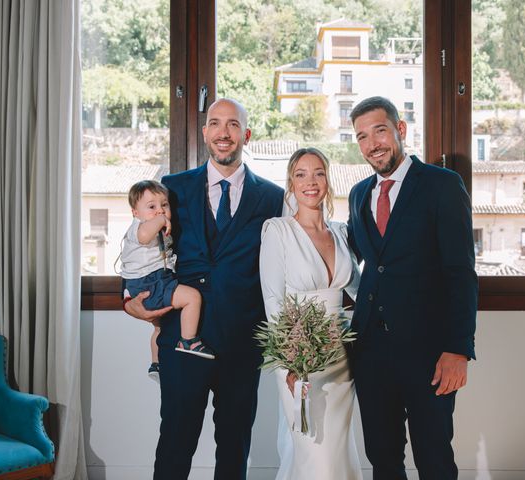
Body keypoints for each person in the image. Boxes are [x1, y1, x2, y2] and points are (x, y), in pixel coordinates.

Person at [123, 98, 284, 480]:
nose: (223, 132)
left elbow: (286, 263)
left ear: (246, 134)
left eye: (232, 124)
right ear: (205, 132)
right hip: (182, 340)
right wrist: (129, 301)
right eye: (215, 123)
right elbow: (136, 247)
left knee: (234, 448)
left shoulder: (274, 198)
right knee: (175, 443)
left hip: (242, 344)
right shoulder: (172, 189)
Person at [346, 96, 478, 480]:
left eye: (380, 131)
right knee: (383, 459)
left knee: (433, 457)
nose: (373, 144)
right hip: (370, 352)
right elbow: (360, 262)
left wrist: (458, 348)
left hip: (429, 353)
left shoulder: (442, 185)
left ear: (400, 130)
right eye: (362, 137)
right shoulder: (357, 195)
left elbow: (460, 272)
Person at [259, 147, 363, 480]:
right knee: (310, 448)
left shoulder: (341, 233)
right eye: (301, 174)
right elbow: (273, 299)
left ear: (328, 180)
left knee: (336, 450)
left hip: (341, 354)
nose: (311, 181)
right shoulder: (277, 231)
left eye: (318, 172)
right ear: (291, 183)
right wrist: (290, 361)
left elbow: (362, 291)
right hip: (298, 354)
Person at [119, 180, 215, 381]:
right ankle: (188, 340)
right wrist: (161, 220)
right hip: (149, 282)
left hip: (151, 280)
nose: (160, 211)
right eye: (151, 206)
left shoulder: (158, 229)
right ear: (135, 213)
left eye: (164, 205)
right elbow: (145, 236)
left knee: (158, 328)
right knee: (192, 298)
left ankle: (156, 363)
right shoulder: (139, 229)